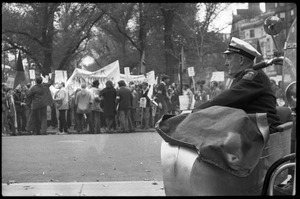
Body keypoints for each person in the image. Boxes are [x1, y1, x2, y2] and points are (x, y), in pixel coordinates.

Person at [193, 37, 281, 134]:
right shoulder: (243, 78)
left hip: (260, 129)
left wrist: (198, 110)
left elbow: (228, 98)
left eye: (229, 58)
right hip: (250, 127)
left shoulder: (254, 76)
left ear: (241, 60)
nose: (226, 63)